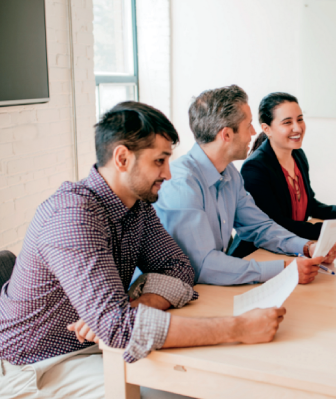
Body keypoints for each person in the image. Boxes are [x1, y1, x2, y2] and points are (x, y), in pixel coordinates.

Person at [0, 102, 286, 399]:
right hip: (37, 365)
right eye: (159, 161)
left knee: (203, 381)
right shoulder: (72, 216)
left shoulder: (136, 205)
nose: (168, 173)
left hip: (97, 346)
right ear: (122, 158)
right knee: (175, 393)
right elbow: (118, 328)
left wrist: (133, 307)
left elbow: (179, 267)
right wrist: (238, 328)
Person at [154, 85, 336, 286]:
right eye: (248, 125)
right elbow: (204, 266)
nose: (253, 132)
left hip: (207, 289)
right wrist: (283, 269)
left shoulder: (230, 173)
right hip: (176, 296)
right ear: (226, 135)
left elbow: (260, 227)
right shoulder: (182, 185)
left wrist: (307, 247)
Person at [230, 92, 336, 258]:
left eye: (300, 119)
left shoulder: (298, 155)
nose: (297, 127)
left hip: (292, 245)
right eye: (287, 122)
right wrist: (327, 232)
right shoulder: (254, 168)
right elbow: (275, 224)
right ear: (267, 129)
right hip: (258, 253)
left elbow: (309, 203)